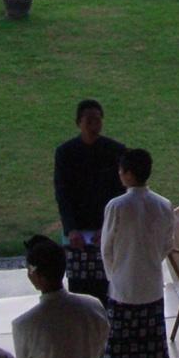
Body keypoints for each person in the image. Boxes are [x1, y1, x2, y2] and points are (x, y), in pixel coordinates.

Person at [98, 147, 175, 358]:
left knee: (119, 348)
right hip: (152, 286)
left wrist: (115, 276)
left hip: (123, 288)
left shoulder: (116, 206)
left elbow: (106, 247)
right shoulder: (164, 204)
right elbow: (167, 244)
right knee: (153, 348)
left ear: (128, 174)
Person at [52, 99, 125, 303]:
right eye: (89, 120)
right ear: (79, 122)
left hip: (106, 225)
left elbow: (120, 193)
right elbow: (62, 193)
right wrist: (71, 229)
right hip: (78, 228)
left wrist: (107, 228)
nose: (94, 125)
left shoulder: (115, 151)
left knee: (108, 286)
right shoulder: (65, 152)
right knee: (79, 288)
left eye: (98, 120)